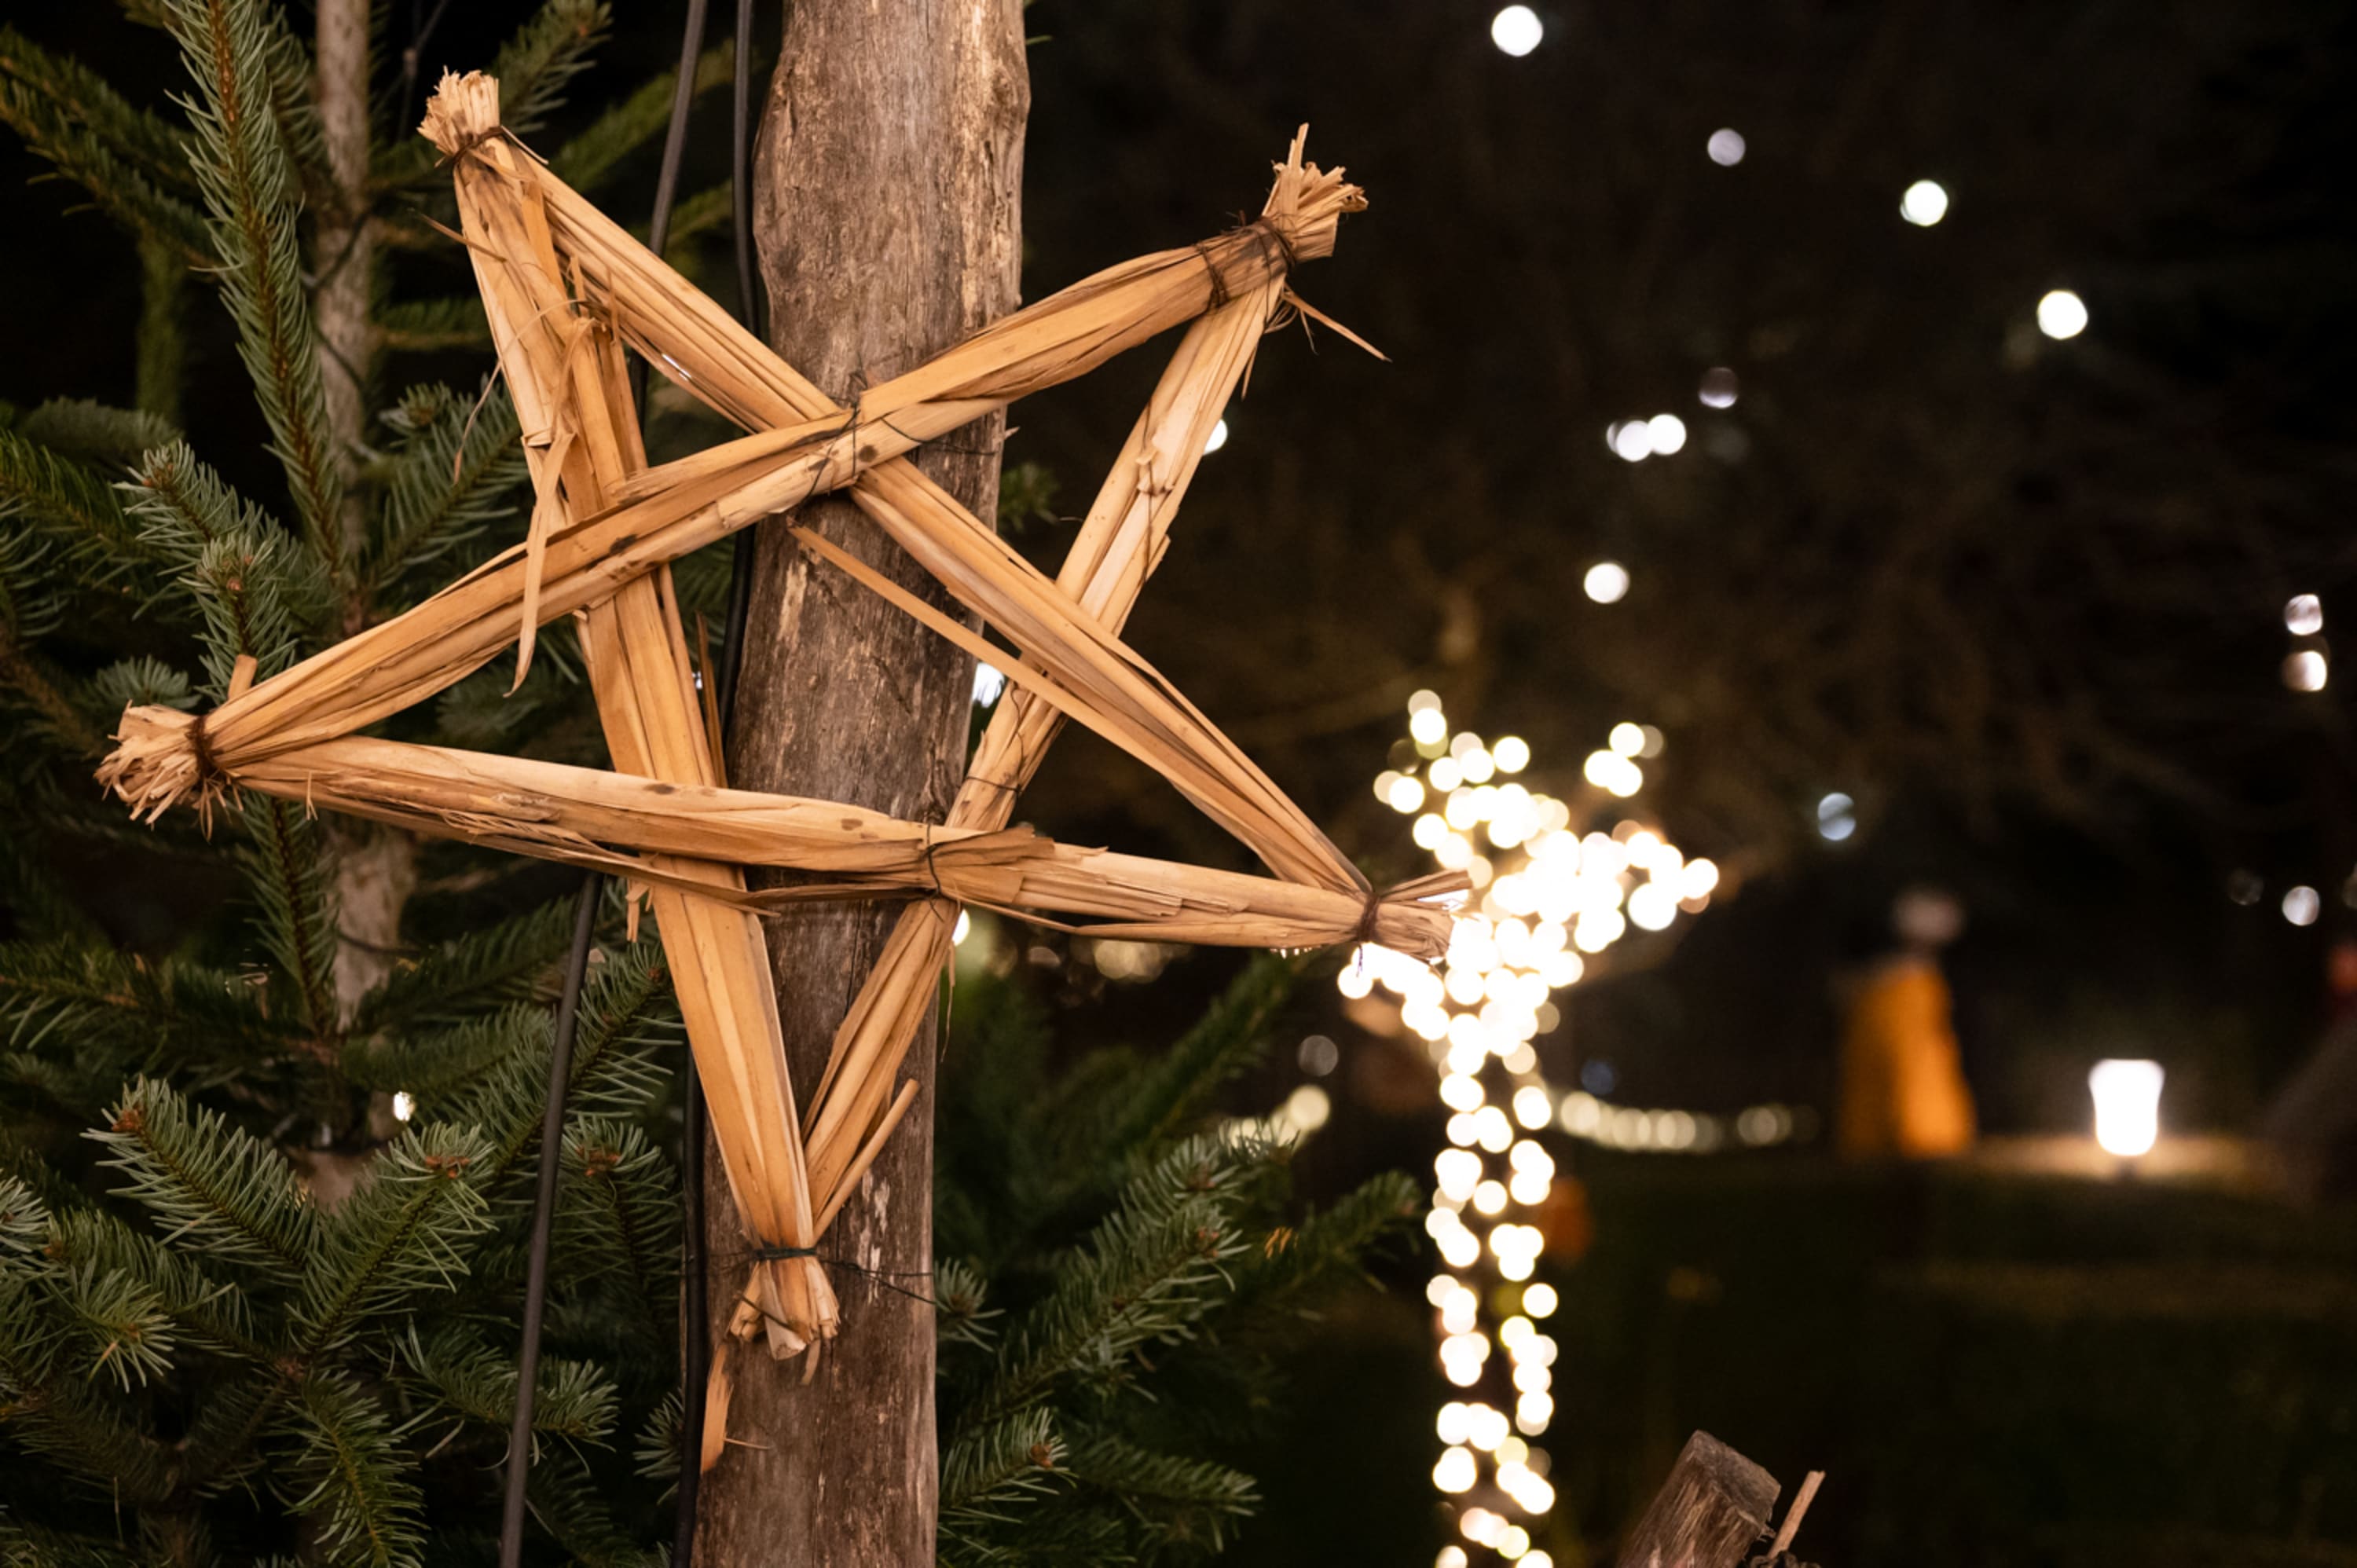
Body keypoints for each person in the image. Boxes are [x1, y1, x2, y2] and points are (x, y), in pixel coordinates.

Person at [1835, 886, 1978, 1158]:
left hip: (1898, 994)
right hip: (1883, 997)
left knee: (1914, 1084)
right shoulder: (1895, 981)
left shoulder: (1921, 981)